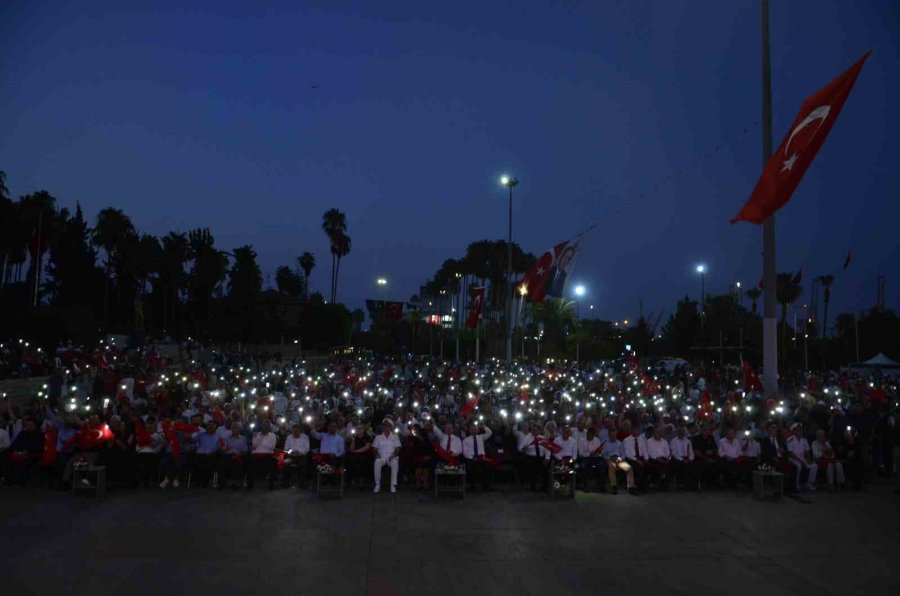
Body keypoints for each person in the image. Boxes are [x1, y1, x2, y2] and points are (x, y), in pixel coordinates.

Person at [786, 423, 817, 491]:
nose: (799, 432)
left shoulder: (804, 440)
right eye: (797, 430)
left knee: (814, 466)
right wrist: (799, 460)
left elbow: (807, 451)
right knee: (799, 466)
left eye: (800, 430)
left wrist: (809, 459)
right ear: (794, 431)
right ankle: (797, 484)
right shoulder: (790, 440)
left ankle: (809, 483)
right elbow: (790, 453)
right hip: (792, 458)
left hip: (802, 458)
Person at [518, 423, 550, 491]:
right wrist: (524, 448)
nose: (534, 431)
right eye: (533, 430)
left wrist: (547, 458)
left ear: (539, 431)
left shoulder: (543, 438)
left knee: (546, 469)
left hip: (541, 457)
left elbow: (548, 450)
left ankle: (544, 486)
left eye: (536, 430)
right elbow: (520, 447)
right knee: (532, 468)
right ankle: (533, 486)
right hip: (530, 457)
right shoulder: (527, 438)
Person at [462, 422, 493, 491]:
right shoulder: (466, 440)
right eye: (472, 429)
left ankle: (485, 486)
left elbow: (489, 433)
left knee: (487, 467)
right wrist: (472, 458)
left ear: (478, 430)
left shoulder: (481, 437)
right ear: (469, 431)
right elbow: (465, 452)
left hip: (482, 458)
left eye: (475, 429)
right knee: (470, 468)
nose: (474, 431)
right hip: (471, 458)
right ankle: (471, 486)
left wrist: (483, 426)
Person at [372, 420, 401, 493]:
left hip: (391, 456)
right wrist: (377, 454)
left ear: (391, 427)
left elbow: (398, 448)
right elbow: (374, 448)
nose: (386, 427)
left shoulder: (395, 436)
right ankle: (377, 485)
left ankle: (393, 485)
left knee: (395, 462)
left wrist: (394, 455)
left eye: (388, 426)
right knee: (377, 462)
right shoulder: (378, 437)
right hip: (382, 456)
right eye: (384, 426)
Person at [221, 421, 249, 490]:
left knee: (238, 462)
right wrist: (225, 449)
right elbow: (223, 450)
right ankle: (222, 482)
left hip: (239, 455)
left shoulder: (243, 439)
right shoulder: (226, 438)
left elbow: (245, 451)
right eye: (233, 428)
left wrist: (239, 454)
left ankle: (236, 483)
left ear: (239, 429)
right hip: (228, 455)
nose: (235, 429)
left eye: (237, 428)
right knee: (223, 461)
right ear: (231, 429)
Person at [691, 423, 719, 489]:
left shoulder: (711, 437)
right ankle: (700, 484)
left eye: (706, 430)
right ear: (700, 430)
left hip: (711, 457)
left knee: (719, 463)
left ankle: (714, 483)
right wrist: (706, 458)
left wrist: (712, 451)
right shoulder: (696, 438)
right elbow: (695, 451)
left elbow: (716, 449)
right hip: (700, 458)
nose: (705, 431)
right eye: (703, 430)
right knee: (699, 464)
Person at [193, 419, 221, 488]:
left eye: (212, 425)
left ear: (215, 427)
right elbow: (193, 442)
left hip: (211, 455)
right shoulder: (200, 435)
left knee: (209, 462)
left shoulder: (218, 437)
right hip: (199, 454)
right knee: (196, 461)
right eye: (209, 425)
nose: (210, 427)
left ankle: (204, 481)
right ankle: (200, 480)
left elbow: (219, 448)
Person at [282, 423, 310, 489]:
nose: (295, 432)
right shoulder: (289, 437)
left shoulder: (305, 437)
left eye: (297, 431)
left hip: (301, 455)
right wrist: (291, 452)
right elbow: (285, 449)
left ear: (300, 430)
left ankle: (302, 483)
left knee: (304, 465)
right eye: (294, 431)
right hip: (291, 456)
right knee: (285, 463)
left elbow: (307, 448)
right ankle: (285, 483)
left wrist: (299, 452)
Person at [577, 427, 605, 492]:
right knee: (584, 466)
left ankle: (601, 486)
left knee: (602, 466)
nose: (591, 436)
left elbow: (601, 452)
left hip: (595, 458)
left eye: (592, 435)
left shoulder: (597, 440)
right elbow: (581, 453)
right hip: (585, 458)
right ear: (587, 434)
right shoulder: (581, 440)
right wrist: (589, 454)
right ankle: (585, 486)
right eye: (590, 435)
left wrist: (598, 454)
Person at [669, 424, 696, 490]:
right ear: (677, 433)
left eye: (682, 432)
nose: (681, 433)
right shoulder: (673, 441)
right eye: (680, 432)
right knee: (683, 466)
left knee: (695, 465)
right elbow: (674, 453)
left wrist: (690, 458)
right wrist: (682, 459)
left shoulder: (688, 441)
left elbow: (691, 451)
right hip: (677, 459)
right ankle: (684, 484)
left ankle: (693, 484)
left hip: (687, 458)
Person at [644, 426, 671, 490]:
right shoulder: (649, 441)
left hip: (664, 459)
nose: (658, 434)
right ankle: (656, 482)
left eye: (660, 432)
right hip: (654, 459)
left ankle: (663, 482)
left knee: (669, 466)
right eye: (657, 432)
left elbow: (668, 452)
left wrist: (667, 458)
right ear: (653, 433)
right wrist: (657, 459)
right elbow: (649, 452)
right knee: (657, 467)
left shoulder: (664, 441)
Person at [622, 425, 647, 491]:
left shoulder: (642, 439)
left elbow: (644, 450)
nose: (637, 432)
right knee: (637, 466)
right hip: (631, 458)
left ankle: (645, 483)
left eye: (638, 430)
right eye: (635, 430)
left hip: (641, 457)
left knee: (648, 466)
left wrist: (646, 459)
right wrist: (637, 460)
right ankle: (640, 486)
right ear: (631, 431)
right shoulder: (626, 440)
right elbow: (628, 454)